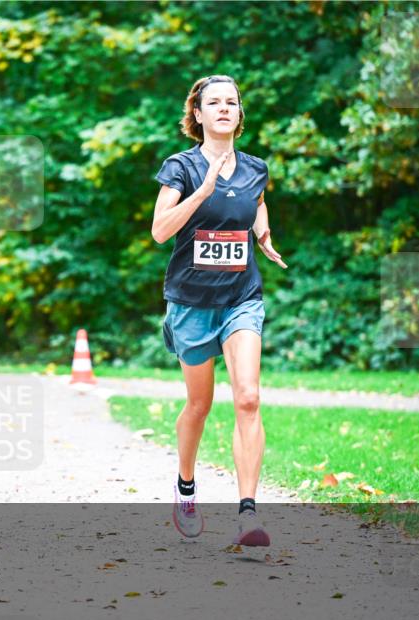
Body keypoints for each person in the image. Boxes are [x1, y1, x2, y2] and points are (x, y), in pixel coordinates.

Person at [151, 75, 287, 546]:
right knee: (199, 404)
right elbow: (160, 231)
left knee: (248, 397)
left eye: (232, 102)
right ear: (199, 115)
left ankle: (248, 513)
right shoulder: (181, 167)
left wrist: (263, 235)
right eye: (215, 102)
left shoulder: (255, 168)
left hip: (241, 296)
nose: (225, 108)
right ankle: (186, 486)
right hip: (191, 302)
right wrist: (202, 192)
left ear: (239, 114)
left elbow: (257, 204)